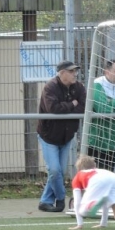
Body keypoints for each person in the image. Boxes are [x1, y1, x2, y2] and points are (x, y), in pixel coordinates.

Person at [37, 60, 87, 212]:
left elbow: (83, 107)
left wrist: (70, 107)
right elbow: (54, 109)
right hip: (49, 136)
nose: (75, 74)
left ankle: (45, 201)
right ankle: (60, 198)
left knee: (59, 171)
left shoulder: (79, 87)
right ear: (62, 73)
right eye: (71, 71)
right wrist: (72, 104)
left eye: (75, 71)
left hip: (66, 136)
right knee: (54, 170)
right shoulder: (50, 87)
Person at [68, 154, 115, 230]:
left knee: (82, 211)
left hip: (96, 180)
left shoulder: (78, 176)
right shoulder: (101, 171)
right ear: (94, 166)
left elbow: (77, 202)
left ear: (78, 169)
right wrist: (103, 223)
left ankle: (94, 203)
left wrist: (79, 224)